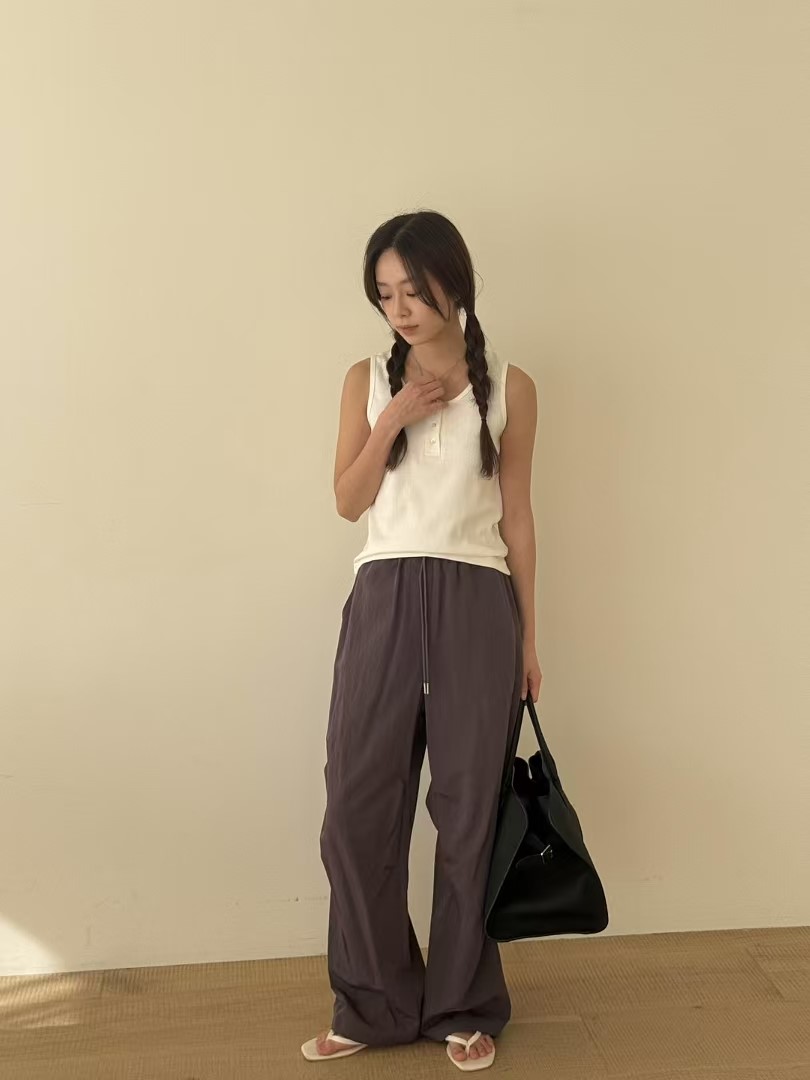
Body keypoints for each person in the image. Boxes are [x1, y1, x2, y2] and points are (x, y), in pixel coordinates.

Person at [301, 210, 541, 1071]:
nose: (399, 309)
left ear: (454, 282)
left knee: (472, 811)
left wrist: (530, 640)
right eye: (385, 293)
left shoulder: (511, 386)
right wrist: (394, 417)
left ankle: (464, 1005)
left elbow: (518, 518)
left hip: (479, 600)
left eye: (414, 289)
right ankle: (372, 1003)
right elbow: (347, 500)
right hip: (386, 595)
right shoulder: (365, 380)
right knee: (355, 809)